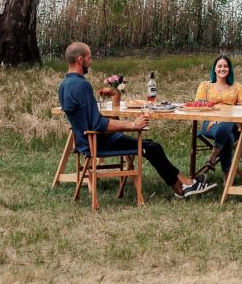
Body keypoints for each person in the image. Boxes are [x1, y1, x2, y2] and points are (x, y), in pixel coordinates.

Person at [58, 42, 214, 200]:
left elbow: (86, 119)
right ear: (79, 59)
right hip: (98, 142)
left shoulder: (64, 85)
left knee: (151, 145)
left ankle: (182, 186)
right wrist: (133, 125)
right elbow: (97, 124)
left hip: (84, 141)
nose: (90, 62)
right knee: (153, 147)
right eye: (89, 58)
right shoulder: (82, 85)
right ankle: (185, 185)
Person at [193, 55, 242, 179]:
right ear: (214, 69)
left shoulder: (236, 86)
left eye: (226, 66)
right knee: (229, 136)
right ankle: (227, 175)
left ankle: (213, 157)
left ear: (229, 69)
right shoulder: (205, 86)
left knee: (230, 119)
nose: (223, 68)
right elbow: (199, 105)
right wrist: (216, 112)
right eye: (220, 66)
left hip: (233, 125)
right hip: (211, 123)